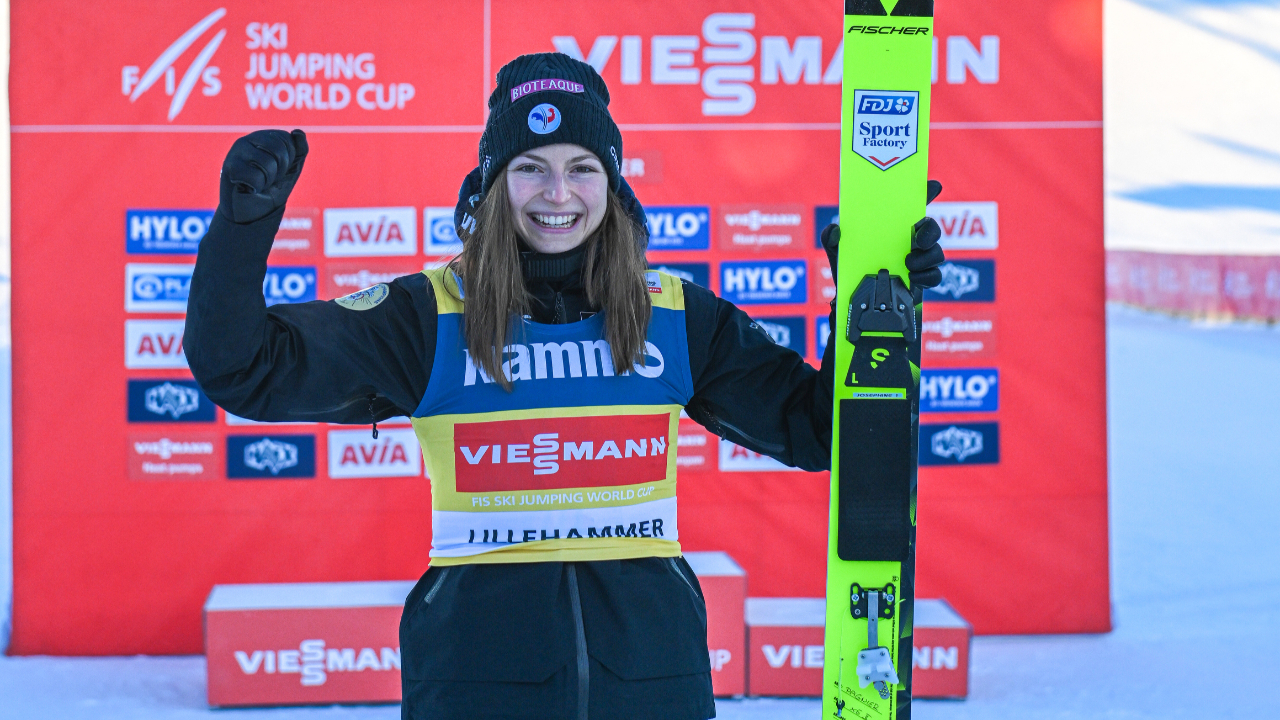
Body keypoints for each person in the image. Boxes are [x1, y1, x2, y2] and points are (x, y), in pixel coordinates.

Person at [185, 52, 945, 720]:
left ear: (611, 184)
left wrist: (868, 321)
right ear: (493, 181)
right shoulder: (428, 318)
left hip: (654, 687)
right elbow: (245, 368)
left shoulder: (673, 316)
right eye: (531, 167)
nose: (558, 193)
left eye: (582, 167)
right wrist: (242, 227)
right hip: (475, 688)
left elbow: (818, 433)